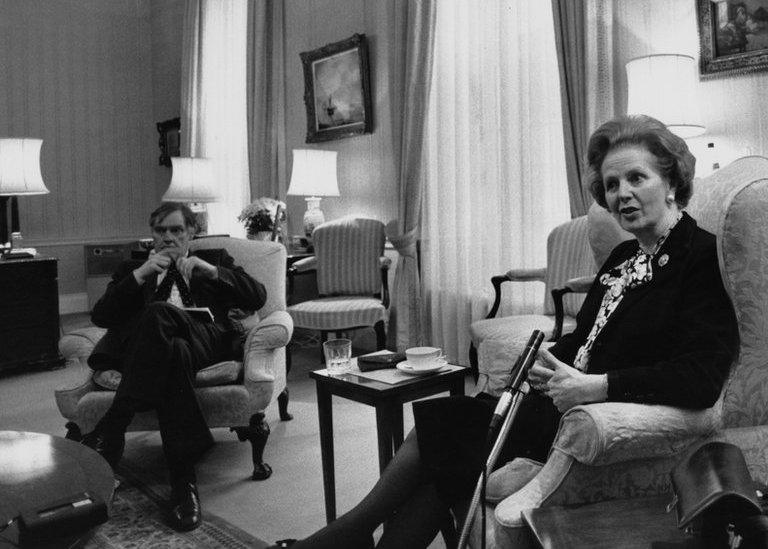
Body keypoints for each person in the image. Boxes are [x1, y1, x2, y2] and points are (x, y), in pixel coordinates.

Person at [276, 115, 739, 548]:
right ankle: (350, 536)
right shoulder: (623, 258)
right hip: (550, 403)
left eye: (637, 178)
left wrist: (595, 386)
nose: (621, 194)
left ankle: (345, 535)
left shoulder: (700, 257)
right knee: (444, 445)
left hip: (593, 419)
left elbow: (700, 377)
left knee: (441, 439)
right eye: (612, 184)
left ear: (673, 182)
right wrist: (546, 359)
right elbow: (588, 336)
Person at [82, 202, 267, 531]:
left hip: (205, 340)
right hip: (161, 350)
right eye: (161, 231)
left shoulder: (215, 259)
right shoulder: (132, 269)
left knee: (159, 316)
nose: (168, 237)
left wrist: (210, 272)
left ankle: (112, 428)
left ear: (191, 232)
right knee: (172, 349)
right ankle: (184, 484)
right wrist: (142, 274)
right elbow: (101, 316)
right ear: (152, 234)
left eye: (176, 230)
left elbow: (257, 296)